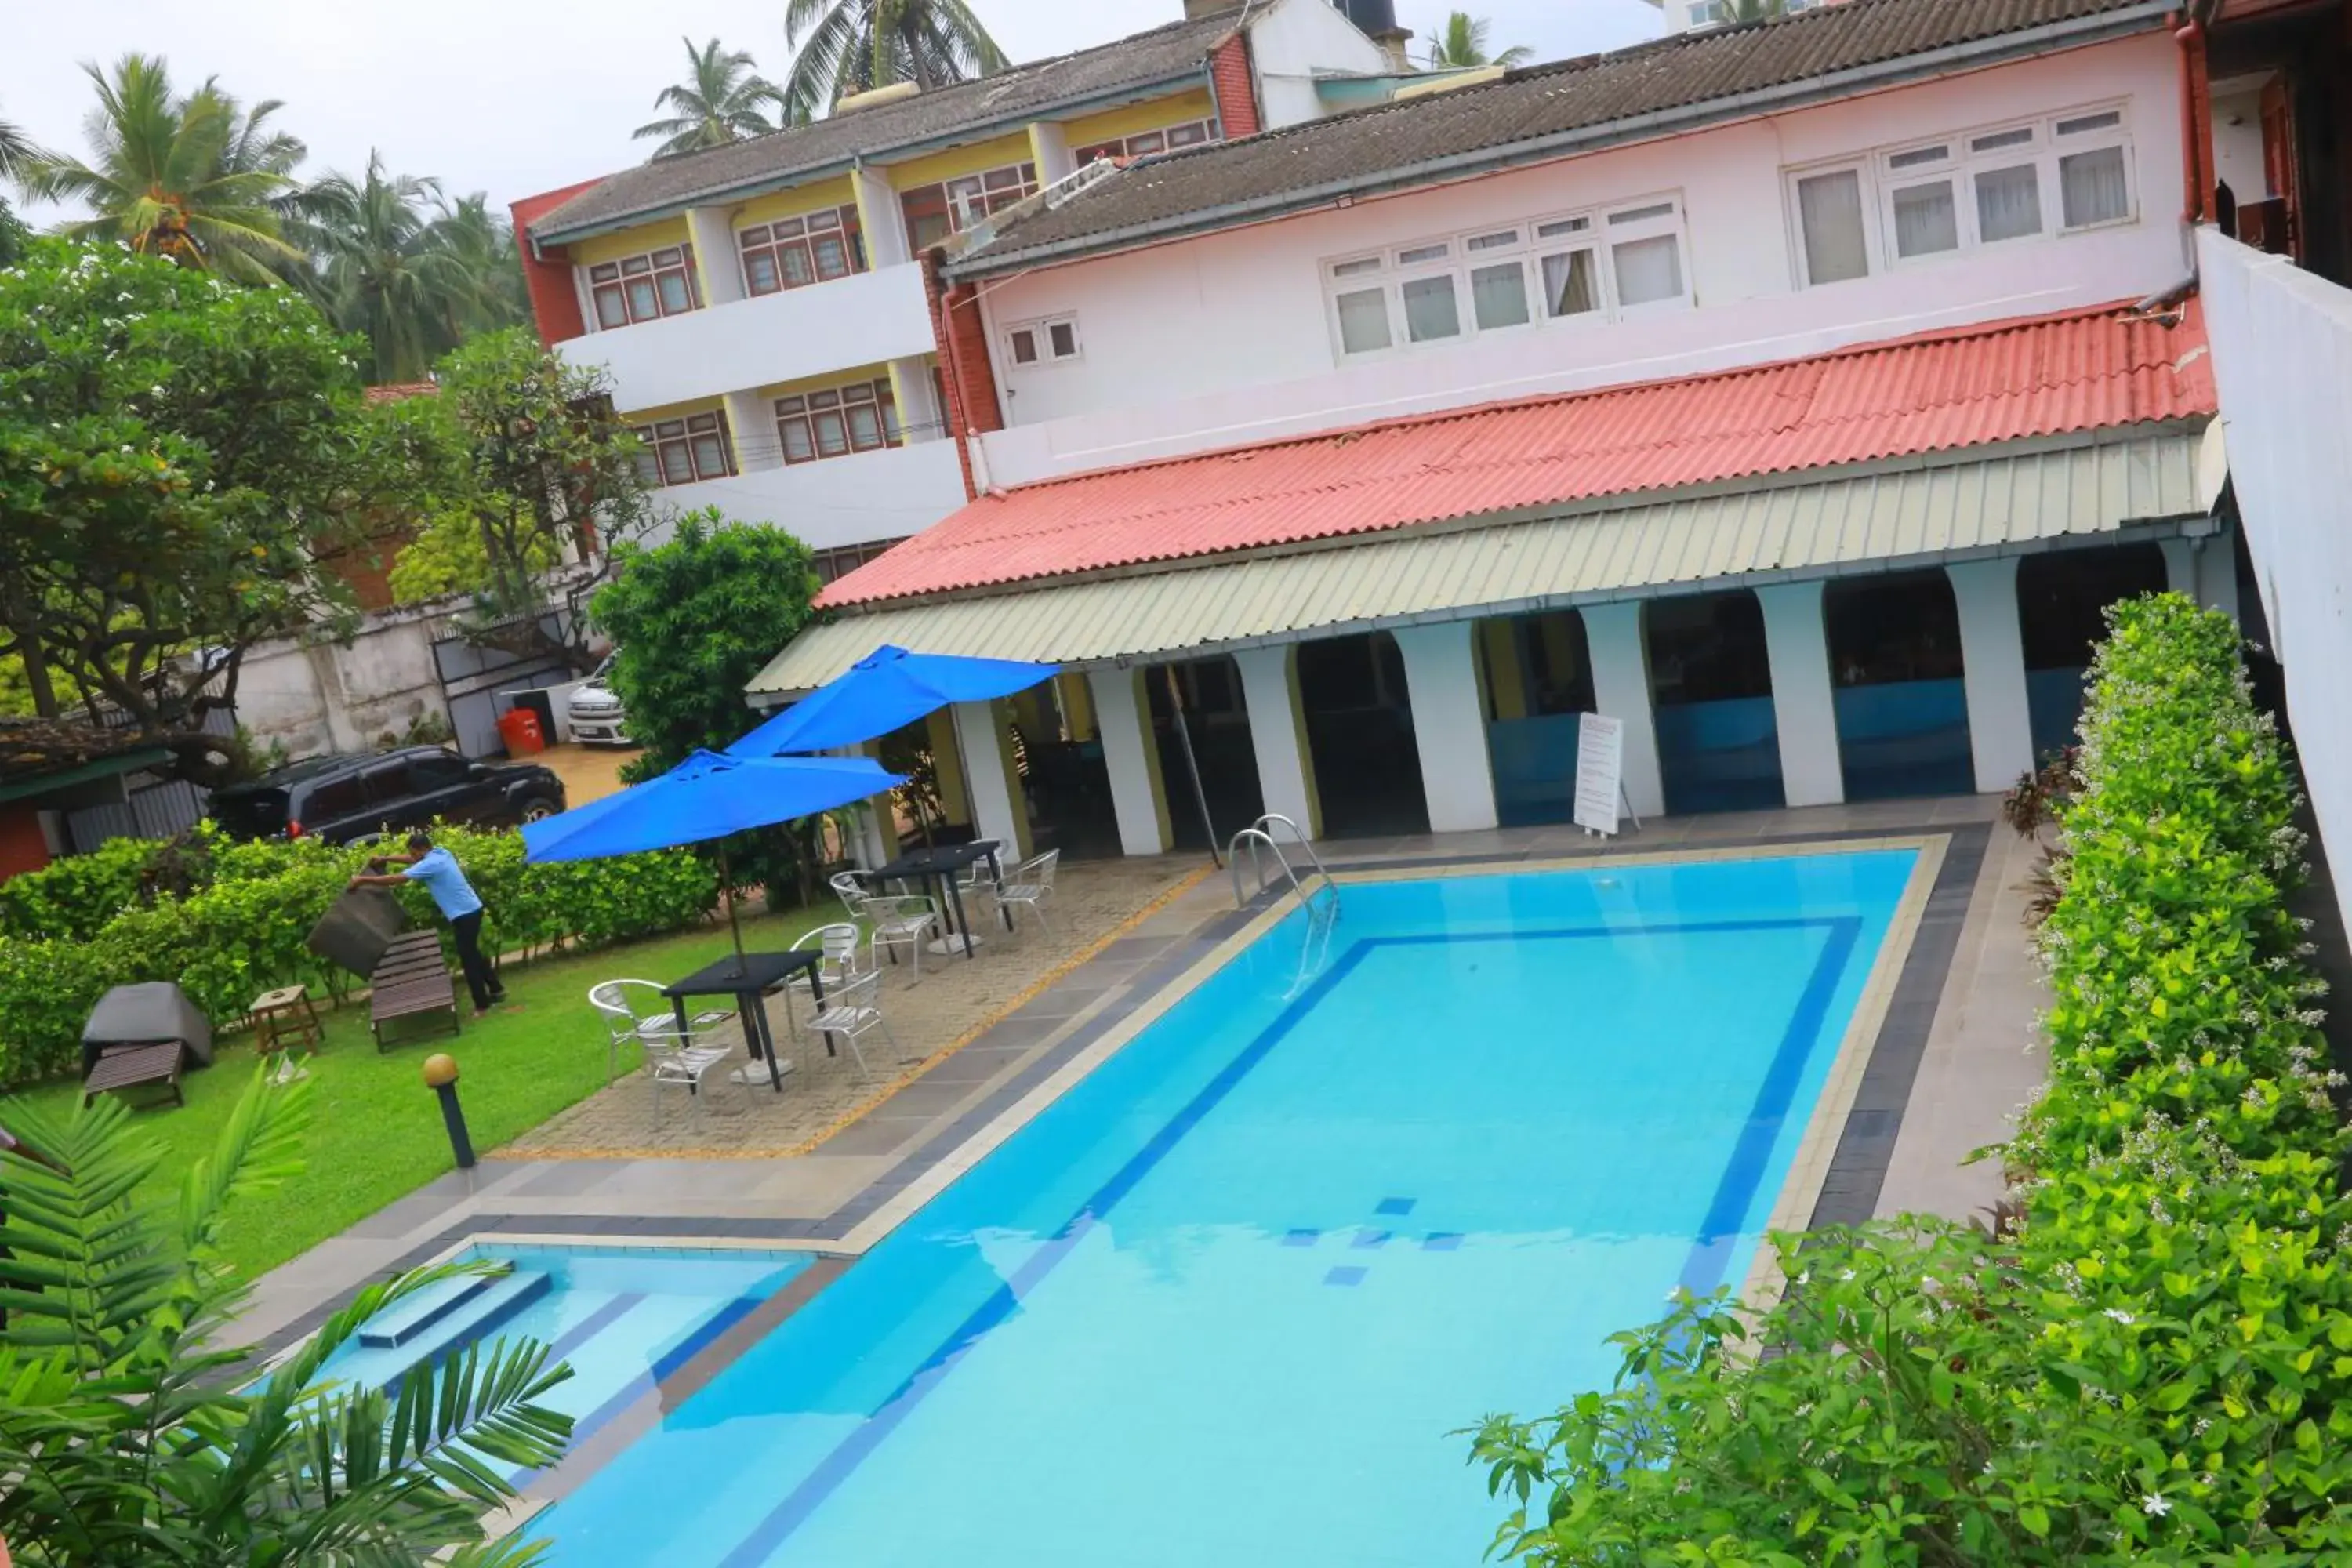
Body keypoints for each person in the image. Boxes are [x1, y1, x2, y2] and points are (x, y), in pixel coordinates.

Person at [349, 831, 506, 1015]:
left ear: (423, 849)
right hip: (471, 909)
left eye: (415, 853)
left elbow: (398, 879)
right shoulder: (441, 853)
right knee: (473, 953)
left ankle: (482, 1005)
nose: (413, 857)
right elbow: (411, 860)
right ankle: (496, 989)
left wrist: (362, 880)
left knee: (469, 960)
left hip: (465, 915)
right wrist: (386, 858)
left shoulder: (432, 864)